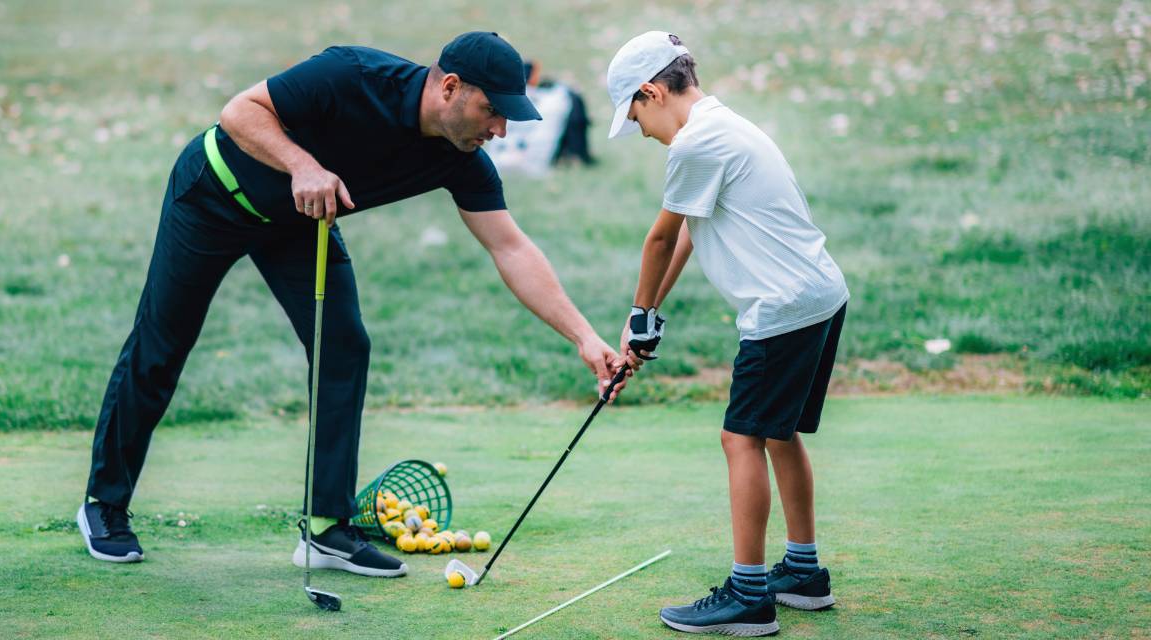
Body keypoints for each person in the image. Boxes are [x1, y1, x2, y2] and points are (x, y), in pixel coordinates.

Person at [77, 32, 627, 579]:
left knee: (344, 346)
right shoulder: (351, 75)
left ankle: (325, 529)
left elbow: (510, 247)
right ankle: (103, 504)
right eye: (492, 111)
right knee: (163, 342)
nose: (500, 130)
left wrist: (583, 336)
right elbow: (239, 112)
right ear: (451, 88)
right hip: (213, 195)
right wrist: (301, 165)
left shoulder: (460, 158)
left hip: (299, 224)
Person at [605, 32, 849, 635]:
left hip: (782, 308)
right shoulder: (725, 125)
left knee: (739, 439)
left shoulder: (696, 142)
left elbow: (659, 238)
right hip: (819, 296)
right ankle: (803, 573)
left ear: (651, 91)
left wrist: (636, 319)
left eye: (635, 115)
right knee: (778, 433)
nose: (639, 130)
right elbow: (692, 227)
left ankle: (749, 594)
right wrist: (649, 320)